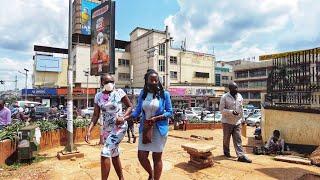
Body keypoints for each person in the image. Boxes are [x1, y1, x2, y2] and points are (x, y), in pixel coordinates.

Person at [85, 73, 132, 180]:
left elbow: (130, 106)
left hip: (119, 127)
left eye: (111, 81)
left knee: (105, 152)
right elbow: (96, 115)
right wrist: (89, 130)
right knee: (114, 153)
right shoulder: (98, 96)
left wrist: (123, 117)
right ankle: (121, 178)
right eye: (107, 82)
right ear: (102, 83)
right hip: (107, 129)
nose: (110, 84)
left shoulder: (119, 92)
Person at [131, 69, 173, 180]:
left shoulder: (165, 94)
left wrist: (157, 118)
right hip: (145, 129)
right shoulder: (143, 94)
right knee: (141, 156)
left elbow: (170, 112)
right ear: (147, 81)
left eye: (156, 80)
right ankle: (151, 174)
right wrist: (128, 116)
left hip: (159, 130)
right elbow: (138, 110)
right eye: (151, 80)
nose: (154, 82)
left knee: (156, 157)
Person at [219, 82, 252, 163]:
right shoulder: (224, 97)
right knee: (226, 139)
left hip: (237, 122)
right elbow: (221, 110)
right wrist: (231, 112)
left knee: (238, 139)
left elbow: (241, 108)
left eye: (237, 88)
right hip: (227, 122)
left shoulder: (240, 96)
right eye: (235, 88)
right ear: (230, 89)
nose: (236, 89)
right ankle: (226, 152)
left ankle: (241, 155)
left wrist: (243, 119)